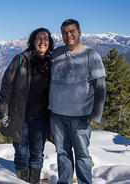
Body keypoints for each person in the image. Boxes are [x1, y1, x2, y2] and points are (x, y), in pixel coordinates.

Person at [48, 19, 106, 184]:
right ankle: (64, 181)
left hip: (80, 115)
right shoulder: (57, 53)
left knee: (82, 154)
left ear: (79, 32)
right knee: (62, 153)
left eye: (72, 31)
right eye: (65, 33)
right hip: (57, 114)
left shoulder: (90, 55)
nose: (68, 35)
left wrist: (96, 113)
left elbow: (100, 86)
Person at [0, 28, 54, 183]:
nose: (42, 42)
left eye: (46, 39)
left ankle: (34, 181)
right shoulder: (21, 59)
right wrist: (3, 111)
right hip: (19, 116)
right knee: (22, 153)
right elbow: (6, 85)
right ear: (32, 41)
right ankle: (21, 181)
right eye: (39, 38)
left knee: (37, 154)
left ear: (50, 42)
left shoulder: (53, 61)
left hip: (42, 117)